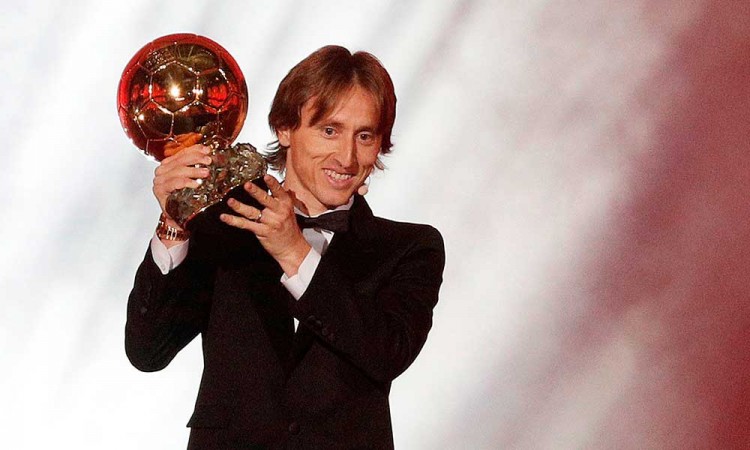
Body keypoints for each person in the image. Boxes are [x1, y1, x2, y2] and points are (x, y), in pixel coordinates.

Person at [125, 45, 445, 449]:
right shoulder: (225, 226)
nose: (347, 157)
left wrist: (294, 251)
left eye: (364, 136)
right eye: (329, 131)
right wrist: (175, 222)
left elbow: (385, 355)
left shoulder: (410, 248)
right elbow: (147, 351)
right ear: (285, 129)